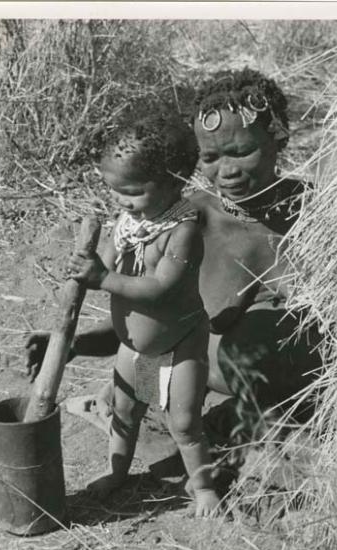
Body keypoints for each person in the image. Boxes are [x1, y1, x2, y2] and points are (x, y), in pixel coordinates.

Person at [27, 68, 321, 468]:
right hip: (192, 367)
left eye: (241, 151)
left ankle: (214, 425)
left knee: (244, 346)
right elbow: (155, 318)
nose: (227, 171)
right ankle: (143, 417)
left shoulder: (319, 216)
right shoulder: (186, 222)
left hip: (292, 386)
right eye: (211, 157)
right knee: (148, 376)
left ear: (279, 138)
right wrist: (74, 345)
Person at [63, 111, 222, 517]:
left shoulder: (181, 230)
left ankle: (202, 487)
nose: (121, 201)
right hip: (138, 348)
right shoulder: (131, 221)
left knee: (184, 425)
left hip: (178, 344)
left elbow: (160, 288)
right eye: (115, 191)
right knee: (125, 412)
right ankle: (117, 474)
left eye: (132, 191)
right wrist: (88, 266)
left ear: (174, 182)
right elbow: (107, 258)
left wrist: (102, 279)